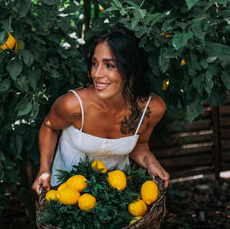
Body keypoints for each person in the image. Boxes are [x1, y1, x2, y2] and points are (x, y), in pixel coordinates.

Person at [32, 28, 170, 195]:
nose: (97, 74)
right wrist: (44, 169)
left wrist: (151, 163)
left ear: (131, 69)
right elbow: (49, 126)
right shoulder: (73, 105)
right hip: (66, 193)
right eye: (95, 64)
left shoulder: (152, 108)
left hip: (115, 197)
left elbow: (139, 144)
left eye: (109, 65)